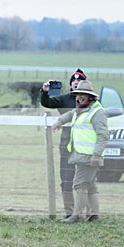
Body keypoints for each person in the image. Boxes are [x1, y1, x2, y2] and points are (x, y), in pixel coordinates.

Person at [51, 79, 109, 222]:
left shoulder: (97, 112)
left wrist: (96, 155)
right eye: (77, 94)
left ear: (91, 97)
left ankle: (76, 215)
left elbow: (103, 136)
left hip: (90, 156)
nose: (79, 97)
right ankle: (93, 214)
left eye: (83, 94)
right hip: (82, 155)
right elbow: (70, 115)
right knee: (90, 185)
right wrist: (59, 121)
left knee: (79, 184)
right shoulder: (81, 109)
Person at [41, 69, 87, 218]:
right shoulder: (65, 99)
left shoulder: (91, 101)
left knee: (84, 181)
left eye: (79, 80)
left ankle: (87, 212)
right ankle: (69, 212)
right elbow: (47, 102)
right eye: (74, 81)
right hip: (66, 147)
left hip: (85, 148)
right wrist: (45, 91)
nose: (76, 82)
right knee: (66, 180)